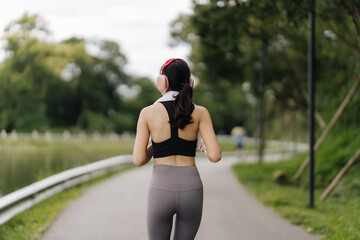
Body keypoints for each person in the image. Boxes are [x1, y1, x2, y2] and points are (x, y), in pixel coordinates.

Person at [133, 58, 221, 240]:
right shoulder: (201, 112)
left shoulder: (147, 113)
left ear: (162, 81)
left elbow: (139, 160)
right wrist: (202, 147)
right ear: (191, 82)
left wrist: (157, 144)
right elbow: (215, 156)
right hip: (191, 188)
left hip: (160, 189)